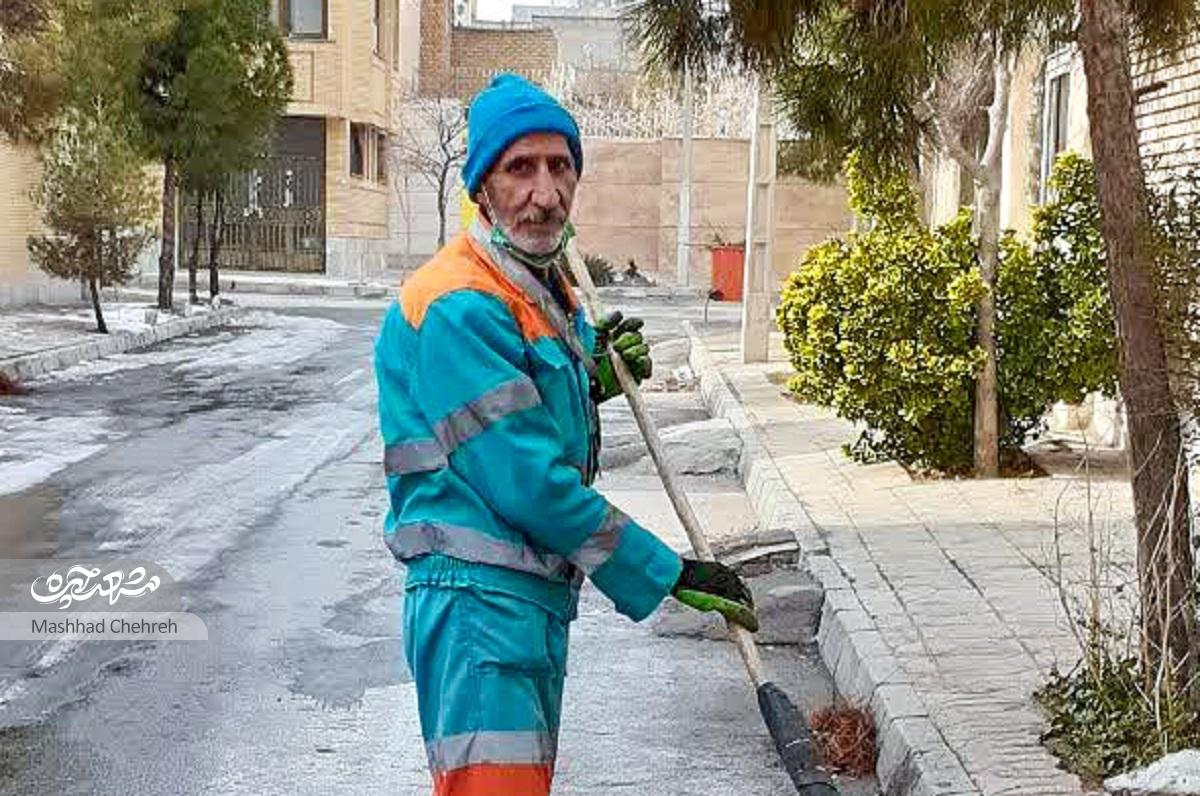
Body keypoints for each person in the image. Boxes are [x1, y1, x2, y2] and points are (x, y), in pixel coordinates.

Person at [373, 73, 758, 796]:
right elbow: (527, 480)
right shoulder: (459, 303)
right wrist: (666, 572)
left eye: (560, 167)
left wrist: (591, 375)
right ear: (482, 186)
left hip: (526, 601)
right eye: (521, 169)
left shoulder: (536, 286)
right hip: (477, 606)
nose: (544, 194)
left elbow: (533, 406)